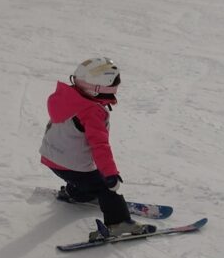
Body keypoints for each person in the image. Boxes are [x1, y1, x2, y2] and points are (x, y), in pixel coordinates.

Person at [39, 58, 155, 240]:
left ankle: (76, 192)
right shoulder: (92, 112)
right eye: (115, 85)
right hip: (72, 164)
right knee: (104, 187)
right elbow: (99, 146)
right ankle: (119, 222)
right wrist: (110, 174)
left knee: (83, 178)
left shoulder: (66, 96)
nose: (117, 89)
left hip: (51, 157)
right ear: (98, 88)